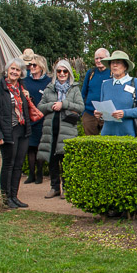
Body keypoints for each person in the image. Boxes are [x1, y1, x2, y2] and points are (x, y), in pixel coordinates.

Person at [0, 58, 34, 209]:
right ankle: (5, 197)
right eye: (12, 69)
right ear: (7, 70)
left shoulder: (21, 89)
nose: (14, 72)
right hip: (8, 130)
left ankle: (14, 196)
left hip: (22, 130)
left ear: (21, 73)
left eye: (17, 70)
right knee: (8, 164)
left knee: (18, 165)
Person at [38, 59, 85, 198]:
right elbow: (40, 106)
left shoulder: (74, 89)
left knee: (65, 160)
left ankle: (66, 188)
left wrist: (63, 104)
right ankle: (54, 187)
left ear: (69, 73)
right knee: (52, 159)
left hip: (67, 128)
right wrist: (52, 105)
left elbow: (80, 107)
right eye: (59, 71)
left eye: (65, 71)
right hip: (51, 129)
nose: (62, 73)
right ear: (56, 73)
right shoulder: (49, 88)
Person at [94, 50, 137, 136]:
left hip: (128, 133)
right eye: (112, 63)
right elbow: (103, 109)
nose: (115, 65)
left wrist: (124, 113)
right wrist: (99, 114)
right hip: (107, 133)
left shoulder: (135, 82)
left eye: (118, 62)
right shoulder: (105, 84)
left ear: (125, 67)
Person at [21, 50, 51, 183]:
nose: (31, 67)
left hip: (42, 118)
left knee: (40, 146)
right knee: (30, 147)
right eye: (30, 65)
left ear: (41, 67)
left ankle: (40, 173)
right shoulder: (25, 81)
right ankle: (31, 174)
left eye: (34, 65)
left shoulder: (48, 82)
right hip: (29, 118)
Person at [80, 47, 111, 136]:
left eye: (101, 58)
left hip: (107, 114)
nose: (98, 60)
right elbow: (83, 92)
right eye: (96, 58)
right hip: (89, 113)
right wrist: (83, 112)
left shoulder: (112, 73)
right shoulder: (90, 73)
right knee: (90, 142)